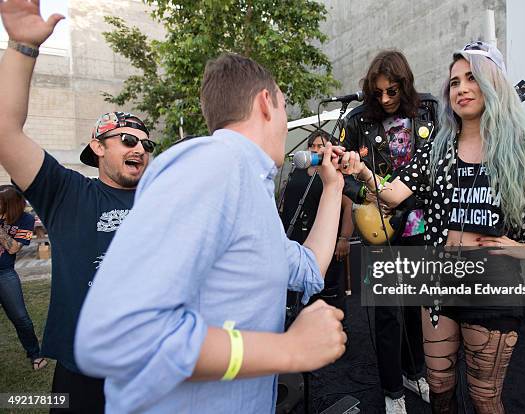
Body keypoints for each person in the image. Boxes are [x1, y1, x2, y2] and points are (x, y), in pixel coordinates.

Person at [75, 53, 348, 413]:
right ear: (266, 103)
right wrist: (288, 349)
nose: (286, 123)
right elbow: (119, 334)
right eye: (284, 107)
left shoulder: (250, 186)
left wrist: (333, 186)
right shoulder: (214, 164)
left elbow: (309, 267)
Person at [344, 41, 525, 413]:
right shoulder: (438, 147)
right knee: (439, 387)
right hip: (438, 277)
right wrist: (361, 171)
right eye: (454, 82)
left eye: (472, 78)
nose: (461, 88)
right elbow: (391, 195)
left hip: (492, 283)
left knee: (484, 398)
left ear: (494, 85)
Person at [0, 1, 154, 412]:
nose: (139, 147)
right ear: (97, 147)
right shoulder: (67, 192)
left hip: (152, 363)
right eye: (127, 139)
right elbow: (5, 132)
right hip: (83, 368)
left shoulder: (163, 198)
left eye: (145, 143)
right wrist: (22, 46)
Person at [340, 49, 435, 412]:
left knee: (414, 305)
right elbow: (342, 172)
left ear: (404, 85)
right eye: (378, 92)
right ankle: (392, 390)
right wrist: (367, 194)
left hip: (418, 221)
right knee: (386, 311)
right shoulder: (358, 119)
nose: (384, 99)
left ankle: (415, 372)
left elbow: (440, 161)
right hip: (377, 224)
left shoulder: (429, 111)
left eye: (392, 91)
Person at [280, 129, 354, 310]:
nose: (314, 149)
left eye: (320, 146)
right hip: (295, 238)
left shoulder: (333, 174)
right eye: (312, 146)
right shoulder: (298, 169)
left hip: (324, 241)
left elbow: (348, 207)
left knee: (327, 296)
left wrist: (344, 238)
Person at [0, 185, 46, 371]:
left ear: (11, 205)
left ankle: (35, 353)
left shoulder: (25, 220)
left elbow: (13, 248)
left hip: (4, 273)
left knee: (20, 318)